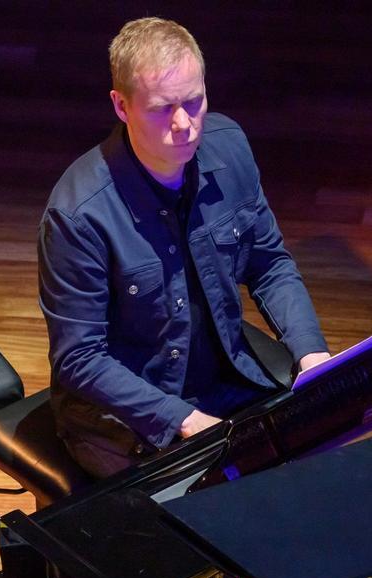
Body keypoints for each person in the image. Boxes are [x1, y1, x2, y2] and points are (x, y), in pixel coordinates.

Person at [38, 17, 330, 478]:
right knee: (218, 509)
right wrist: (185, 420)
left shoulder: (229, 146)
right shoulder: (78, 214)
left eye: (194, 102)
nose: (185, 125)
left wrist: (312, 354)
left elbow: (269, 263)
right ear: (121, 105)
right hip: (126, 414)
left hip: (223, 378)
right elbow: (79, 358)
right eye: (161, 108)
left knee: (327, 452)